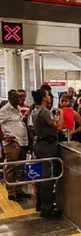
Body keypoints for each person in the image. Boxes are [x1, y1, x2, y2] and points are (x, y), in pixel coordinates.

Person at [31, 88, 64, 218]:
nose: (49, 97)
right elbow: (58, 126)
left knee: (41, 177)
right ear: (44, 98)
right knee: (48, 177)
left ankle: (40, 203)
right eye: (47, 95)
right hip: (47, 146)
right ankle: (47, 208)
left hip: (39, 144)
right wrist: (61, 114)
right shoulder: (44, 111)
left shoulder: (35, 109)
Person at [0, 90, 31, 202]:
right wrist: (4, 137)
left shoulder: (17, 108)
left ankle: (19, 189)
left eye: (19, 97)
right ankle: (11, 192)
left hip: (22, 142)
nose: (19, 100)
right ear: (10, 99)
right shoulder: (4, 110)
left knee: (20, 168)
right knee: (11, 168)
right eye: (16, 98)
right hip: (12, 143)